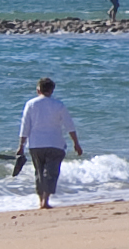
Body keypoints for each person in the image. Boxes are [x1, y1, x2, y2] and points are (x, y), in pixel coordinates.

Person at [11, 80, 83, 209]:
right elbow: (69, 126)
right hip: (55, 144)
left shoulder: (31, 104)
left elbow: (25, 126)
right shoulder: (59, 105)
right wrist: (76, 144)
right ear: (52, 90)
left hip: (36, 145)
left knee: (39, 172)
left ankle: (40, 201)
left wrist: (21, 145)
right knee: (51, 172)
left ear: (38, 89)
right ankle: (46, 200)